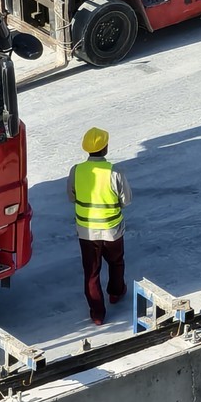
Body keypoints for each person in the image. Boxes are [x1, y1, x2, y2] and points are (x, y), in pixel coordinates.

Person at [66, 127, 132, 326]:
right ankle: (116, 292)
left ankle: (97, 315)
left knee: (91, 272)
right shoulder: (114, 172)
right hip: (112, 228)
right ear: (105, 148)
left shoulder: (76, 170)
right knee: (116, 262)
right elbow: (126, 200)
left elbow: (71, 196)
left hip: (86, 231)